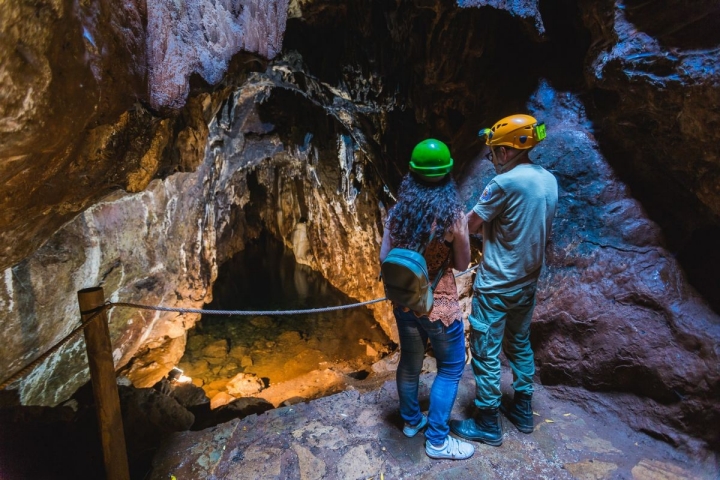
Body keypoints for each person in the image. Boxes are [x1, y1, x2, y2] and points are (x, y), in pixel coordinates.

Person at [450, 114, 558, 446]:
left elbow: (469, 226)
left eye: (495, 150)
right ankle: (523, 410)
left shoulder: (504, 183)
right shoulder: (549, 180)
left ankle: (487, 422)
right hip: (527, 283)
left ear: (508, 151)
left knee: (485, 351)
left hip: (496, 285)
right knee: (520, 343)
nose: (492, 156)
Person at [380, 138, 474, 460]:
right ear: (448, 177)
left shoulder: (396, 215)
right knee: (449, 367)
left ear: (412, 176)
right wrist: (459, 233)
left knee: (409, 362)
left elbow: (384, 258)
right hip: (440, 305)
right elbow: (462, 265)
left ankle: (410, 421)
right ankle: (437, 440)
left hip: (405, 302)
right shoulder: (453, 218)